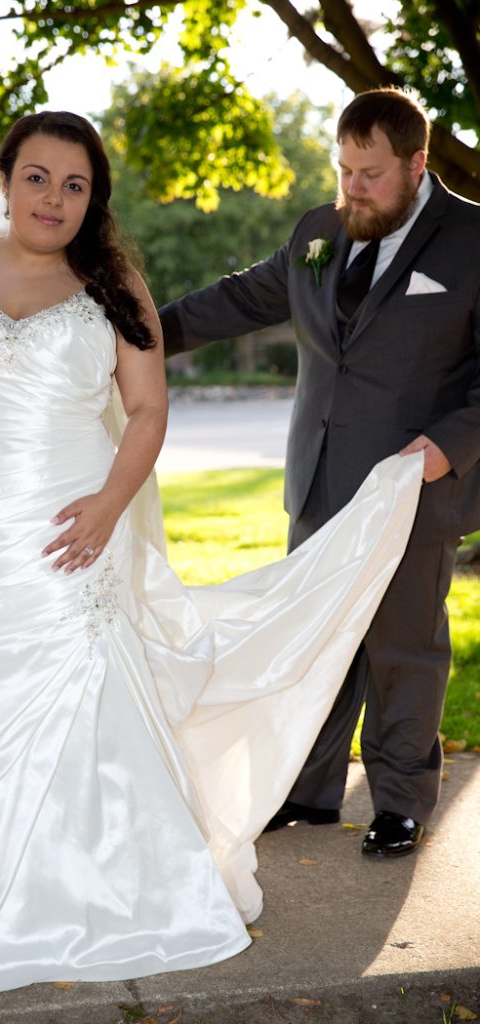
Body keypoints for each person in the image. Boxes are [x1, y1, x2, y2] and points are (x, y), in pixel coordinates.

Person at [0, 111, 424, 996]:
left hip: (76, 517)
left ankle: (88, 886)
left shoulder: (113, 283)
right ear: (6, 180)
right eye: (36, 177)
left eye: (75, 185)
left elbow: (146, 410)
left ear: (92, 198)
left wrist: (107, 506)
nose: (52, 198)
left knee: (76, 688)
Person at [159, 88, 480, 860]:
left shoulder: (472, 238)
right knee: (313, 640)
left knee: (403, 651)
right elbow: (240, 299)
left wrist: (446, 447)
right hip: (317, 481)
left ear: (416, 163)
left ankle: (399, 803)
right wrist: (135, 333)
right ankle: (306, 789)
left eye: (370, 174)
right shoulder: (316, 232)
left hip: (413, 484)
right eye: (342, 171)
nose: (351, 189)